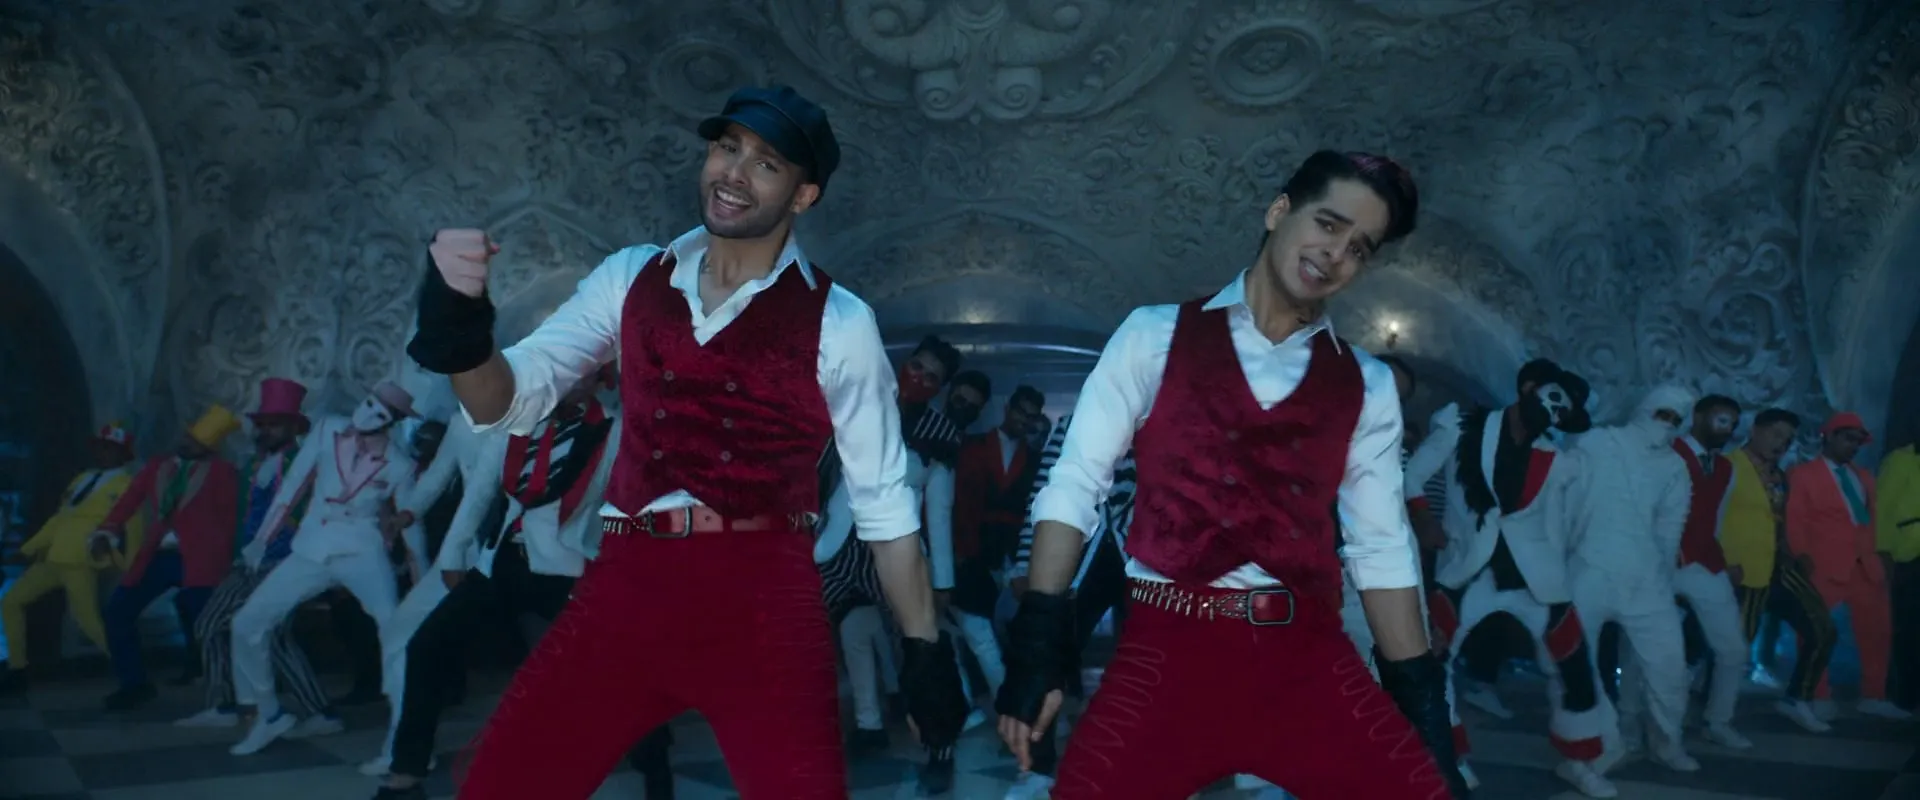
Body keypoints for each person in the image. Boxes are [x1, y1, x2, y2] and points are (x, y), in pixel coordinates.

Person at [406, 84, 967, 799]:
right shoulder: (630, 276)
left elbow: (885, 508)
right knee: (500, 786)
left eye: (766, 163)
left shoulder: (841, 322)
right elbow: (507, 401)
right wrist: (459, 328)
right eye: (727, 148)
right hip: (626, 588)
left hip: (764, 604)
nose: (734, 172)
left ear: (803, 195)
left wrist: (923, 651)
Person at [997, 150, 1466, 798]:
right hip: (1164, 656)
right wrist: (1040, 639)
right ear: (1279, 211)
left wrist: (1422, 711)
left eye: (1359, 247)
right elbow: (1075, 485)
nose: (1335, 254)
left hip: (1307, 661)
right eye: (1328, 224)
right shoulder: (1152, 336)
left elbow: (1382, 550)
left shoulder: (1367, 384)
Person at [1406, 358, 1614, 798]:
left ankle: (1578, 760)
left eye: (1563, 411)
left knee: (1574, 664)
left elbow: (1564, 519)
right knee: (1432, 663)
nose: (1554, 412)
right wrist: (1424, 519)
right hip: (1466, 571)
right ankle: (1447, 756)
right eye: (1553, 399)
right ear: (1529, 387)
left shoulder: (1556, 458)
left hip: (1537, 578)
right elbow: (1412, 477)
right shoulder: (1460, 426)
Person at [226, 382, 422, 755]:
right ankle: (267, 714)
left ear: (393, 421)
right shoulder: (328, 429)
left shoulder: (400, 464)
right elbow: (293, 487)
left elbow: (411, 524)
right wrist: (262, 540)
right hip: (311, 548)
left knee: (395, 632)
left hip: (363, 553)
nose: (368, 413)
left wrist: (421, 577)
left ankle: (404, 740)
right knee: (247, 622)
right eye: (369, 402)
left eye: (381, 411)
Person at [172, 379, 339, 734]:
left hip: (285, 563)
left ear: (293, 427)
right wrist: (237, 556)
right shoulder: (252, 466)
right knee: (208, 625)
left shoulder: (305, 463)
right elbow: (244, 518)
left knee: (275, 635)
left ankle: (321, 712)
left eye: (274, 424)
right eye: (262, 424)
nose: (265, 431)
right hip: (248, 564)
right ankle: (221, 705)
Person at [1566, 385, 1699, 773]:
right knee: (1576, 662)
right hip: (1589, 567)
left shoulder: (1674, 467)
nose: (1667, 424)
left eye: (1676, 420)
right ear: (1645, 408)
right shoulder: (1596, 444)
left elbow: (1671, 526)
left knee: (1669, 666)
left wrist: (1663, 579)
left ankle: (1666, 742)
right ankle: (1604, 742)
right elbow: (1565, 501)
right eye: (1663, 414)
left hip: (1645, 578)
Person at [1001, 412, 1133, 800]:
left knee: (1152, 661)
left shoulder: (1176, 410)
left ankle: (1153, 763)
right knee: (1044, 652)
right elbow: (1046, 490)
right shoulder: (1075, 420)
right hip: (1078, 546)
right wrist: (1025, 563)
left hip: (1148, 553)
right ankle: (1034, 767)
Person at [90, 406, 243, 711]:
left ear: (209, 447)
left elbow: (232, 520)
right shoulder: (158, 467)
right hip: (159, 555)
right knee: (117, 611)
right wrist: (107, 530)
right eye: (188, 436)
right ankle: (134, 684)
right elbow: (129, 500)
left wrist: (230, 561)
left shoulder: (223, 473)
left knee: (208, 623)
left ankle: (230, 688)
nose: (187, 442)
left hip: (203, 559)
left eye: (196, 441)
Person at [1785, 412, 1910, 720]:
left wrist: (1882, 554)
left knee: (1877, 632)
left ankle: (1873, 695)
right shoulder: (1803, 474)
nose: (1853, 445)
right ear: (1828, 436)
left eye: (1858, 441)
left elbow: (1872, 521)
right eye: (1848, 438)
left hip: (1865, 565)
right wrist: (1801, 556)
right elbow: (1795, 520)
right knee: (1816, 631)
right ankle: (1816, 694)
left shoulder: (1863, 476)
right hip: (1822, 564)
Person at [1721, 409, 1838, 731]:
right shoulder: (1728, 467)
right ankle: (1715, 715)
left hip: (1777, 566)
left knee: (1823, 629)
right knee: (1734, 648)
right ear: (1755, 430)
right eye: (1775, 435)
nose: (1781, 444)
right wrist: (1721, 561)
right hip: (1740, 571)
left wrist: (1793, 554)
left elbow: (1778, 520)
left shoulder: (1780, 475)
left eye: (1787, 440)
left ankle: (1797, 699)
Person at [0, 422, 138, 692]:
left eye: (110, 449)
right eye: (101, 448)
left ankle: (130, 670)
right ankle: (18, 669)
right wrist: (28, 549)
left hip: (80, 558)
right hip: (54, 556)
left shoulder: (126, 485)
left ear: (122, 454)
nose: (103, 454)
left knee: (87, 620)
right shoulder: (82, 479)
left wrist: (131, 564)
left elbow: (133, 526)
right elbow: (59, 519)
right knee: (11, 602)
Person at [1666, 394, 1753, 749]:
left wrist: (1720, 558)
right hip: (1661, 563)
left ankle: (1718, 720)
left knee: (1733, 649)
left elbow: (1716, 519)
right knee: (1649, 652)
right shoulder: (1668, 453)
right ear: (1699, 416)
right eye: (1722, 419)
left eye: (1733, 423)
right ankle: (1646, 724)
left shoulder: (1725, 468)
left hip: (1705, 563)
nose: (1728, 429)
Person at [1879, 427, 1920, 710]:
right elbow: (1882, 507)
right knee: (1907, 627)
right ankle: (1905, 695)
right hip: (1907, 553)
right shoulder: (1901, 459)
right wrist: (1883, 552)